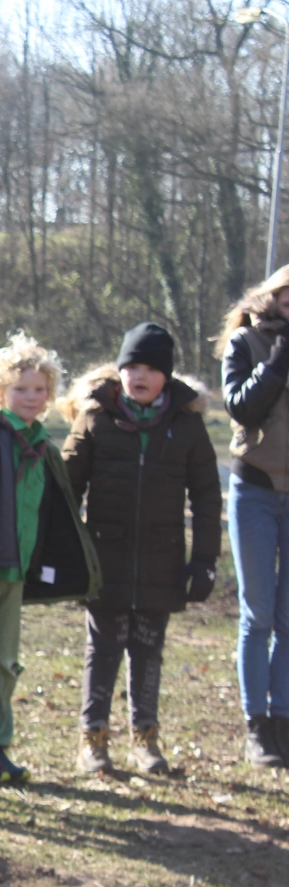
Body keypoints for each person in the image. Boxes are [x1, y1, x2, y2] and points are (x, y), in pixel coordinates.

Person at [61, 323, 221, 774]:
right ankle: (92, 739)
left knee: (148, 648)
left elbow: (207, 496)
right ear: (120, 370)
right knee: (103, 648)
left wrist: (205, 561)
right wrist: (65, 553)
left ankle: (145, 740)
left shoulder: (187, 427)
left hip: (162, 558)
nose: (140, 376)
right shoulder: (94, 417)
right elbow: (67, 490)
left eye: (151, 368)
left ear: (166, 376)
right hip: (104, 559)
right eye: (132, 366)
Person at [0, 334, 99, 784]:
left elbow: (56, 515)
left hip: (18, 570)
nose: (31, 398)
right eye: (20, 390)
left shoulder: (46, 450)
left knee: (4, 660)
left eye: (39, 390)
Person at [218, 267, 289, 766]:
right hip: (256, 489)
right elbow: (242, 408)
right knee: (258, 613)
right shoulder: (245, 342)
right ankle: (257, 725)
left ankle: (284, 719)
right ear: (275, 296)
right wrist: (280, 357)